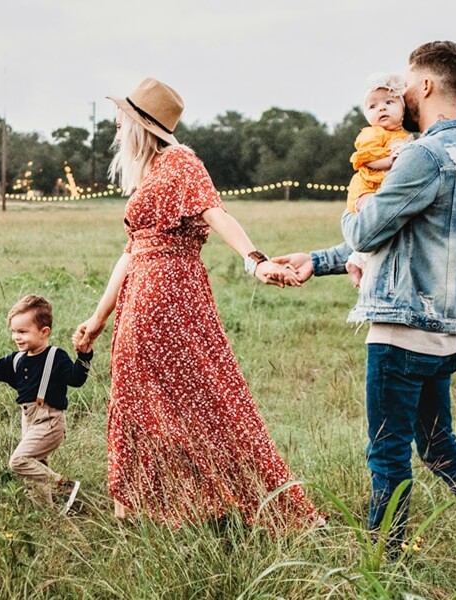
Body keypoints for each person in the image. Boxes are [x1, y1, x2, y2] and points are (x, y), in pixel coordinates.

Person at [272, 41, 456, 576]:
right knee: (440, 444)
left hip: (402, 331)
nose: (400, 95)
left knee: (386, 451)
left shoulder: (422, 154)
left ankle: (383, 565)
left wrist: (358, 205)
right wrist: (319, 260)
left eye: (406, 85)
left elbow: (369, 228)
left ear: (427, 86)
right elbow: (403, 238)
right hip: (446, 333)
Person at [71, 77, 320, 528]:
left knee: (198, 398)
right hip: (142, 293)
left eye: (120, 120)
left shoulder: (180, 163)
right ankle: (145, 507)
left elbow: (216, 212)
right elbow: (130, 252)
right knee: (143, 399)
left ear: (141, 125)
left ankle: (222, 502)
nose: (114, 128)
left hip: (167, 294)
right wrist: (98, 317)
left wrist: (255, 260)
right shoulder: (150, 172)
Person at [0, 294, 90, 513]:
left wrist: (84, 356)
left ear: (44, 332)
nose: (17, 337)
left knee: (19, 461)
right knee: (34, 472)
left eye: (23, 332)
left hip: (50, 421)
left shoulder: (56, 357)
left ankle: (63, 486)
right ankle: (46, 516)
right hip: (29, 421)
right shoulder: (16, 360)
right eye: (14, 331)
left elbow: (76, 379)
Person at [344, 72, 412, 287]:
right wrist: (389, 161)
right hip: (366, 187)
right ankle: (358, 261)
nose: (381, 108)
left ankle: (357, 260)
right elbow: (366, 158)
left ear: (403, 109)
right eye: (373, 106)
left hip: (381, 188)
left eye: (389, 102)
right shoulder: (373, 133)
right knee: (373, 218)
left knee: (385, 226)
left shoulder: (405, 136)